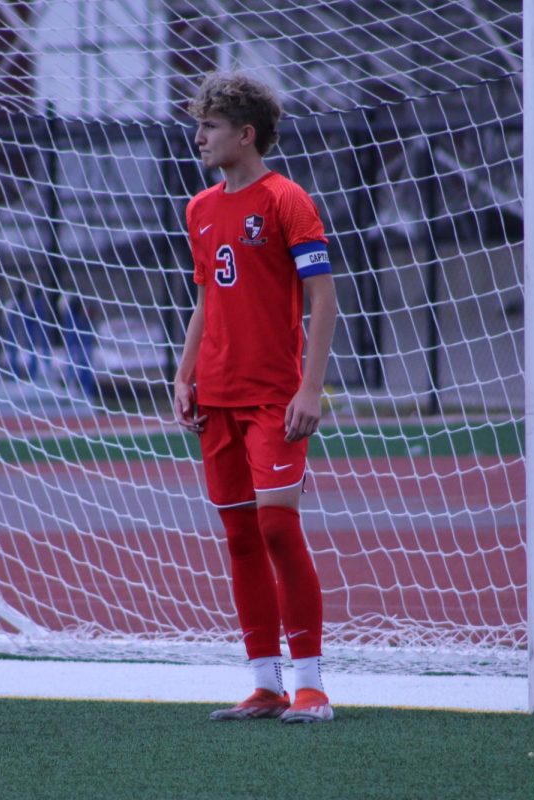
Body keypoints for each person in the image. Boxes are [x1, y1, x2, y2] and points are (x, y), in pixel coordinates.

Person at [173, 72, 338, 724]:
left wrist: (311, 388)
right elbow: (208, 298)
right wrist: (184, 377)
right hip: (215, 395)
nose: (198, 138)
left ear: (245, 133)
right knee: (240, 535)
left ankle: (312, 685)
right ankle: (265, 683)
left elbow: (323, 299)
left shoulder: (286, 200)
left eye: (209, 127)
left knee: (276, 524)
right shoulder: (199, 208)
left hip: (274, 397)